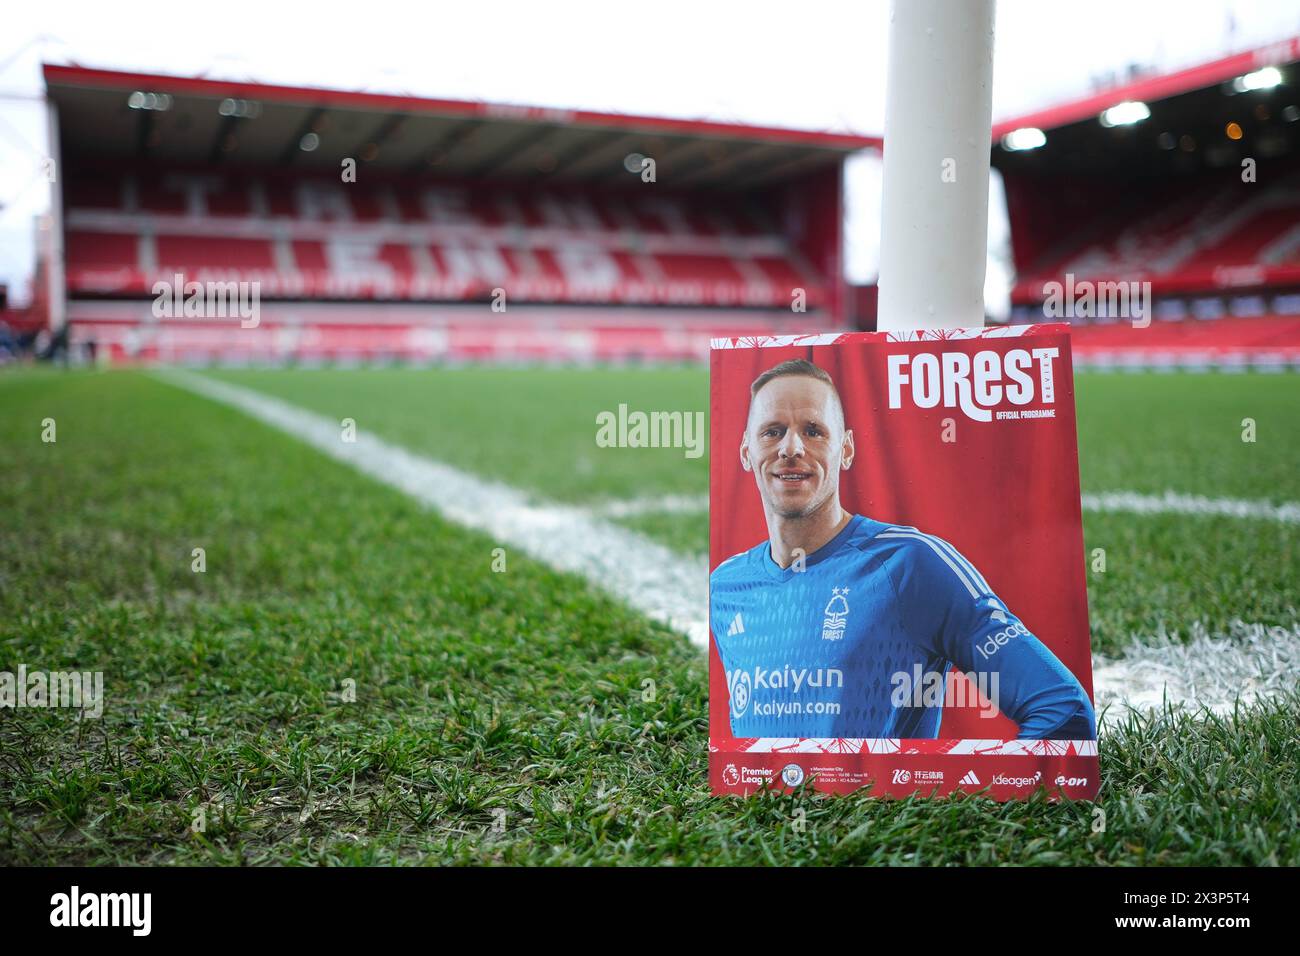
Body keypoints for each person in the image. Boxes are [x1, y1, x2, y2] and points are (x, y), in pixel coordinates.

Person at [710, 359, 1095, 740]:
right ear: (746, 450)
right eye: (772, 432)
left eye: (813, 431)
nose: (790, 448)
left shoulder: (910, 564)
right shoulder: (726, 586)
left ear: (845, 450)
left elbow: (1063, 711)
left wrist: (967, 798)